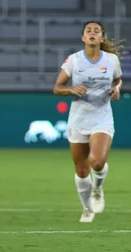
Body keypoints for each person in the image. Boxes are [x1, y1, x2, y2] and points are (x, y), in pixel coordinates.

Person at [53, 20, 123, 223]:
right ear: (83, 38)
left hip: (102, 118)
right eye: (88, 31)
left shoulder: (111, 60)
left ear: (101, 38)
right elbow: (58, 87)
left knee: (97, 161)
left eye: (96, 31)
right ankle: (86, 209)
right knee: (82, 170)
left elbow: (117, 79)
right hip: (78, 120)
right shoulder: (73, 61)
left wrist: (116, 88)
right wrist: (70, 89)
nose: (92, 33)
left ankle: (98, 189)